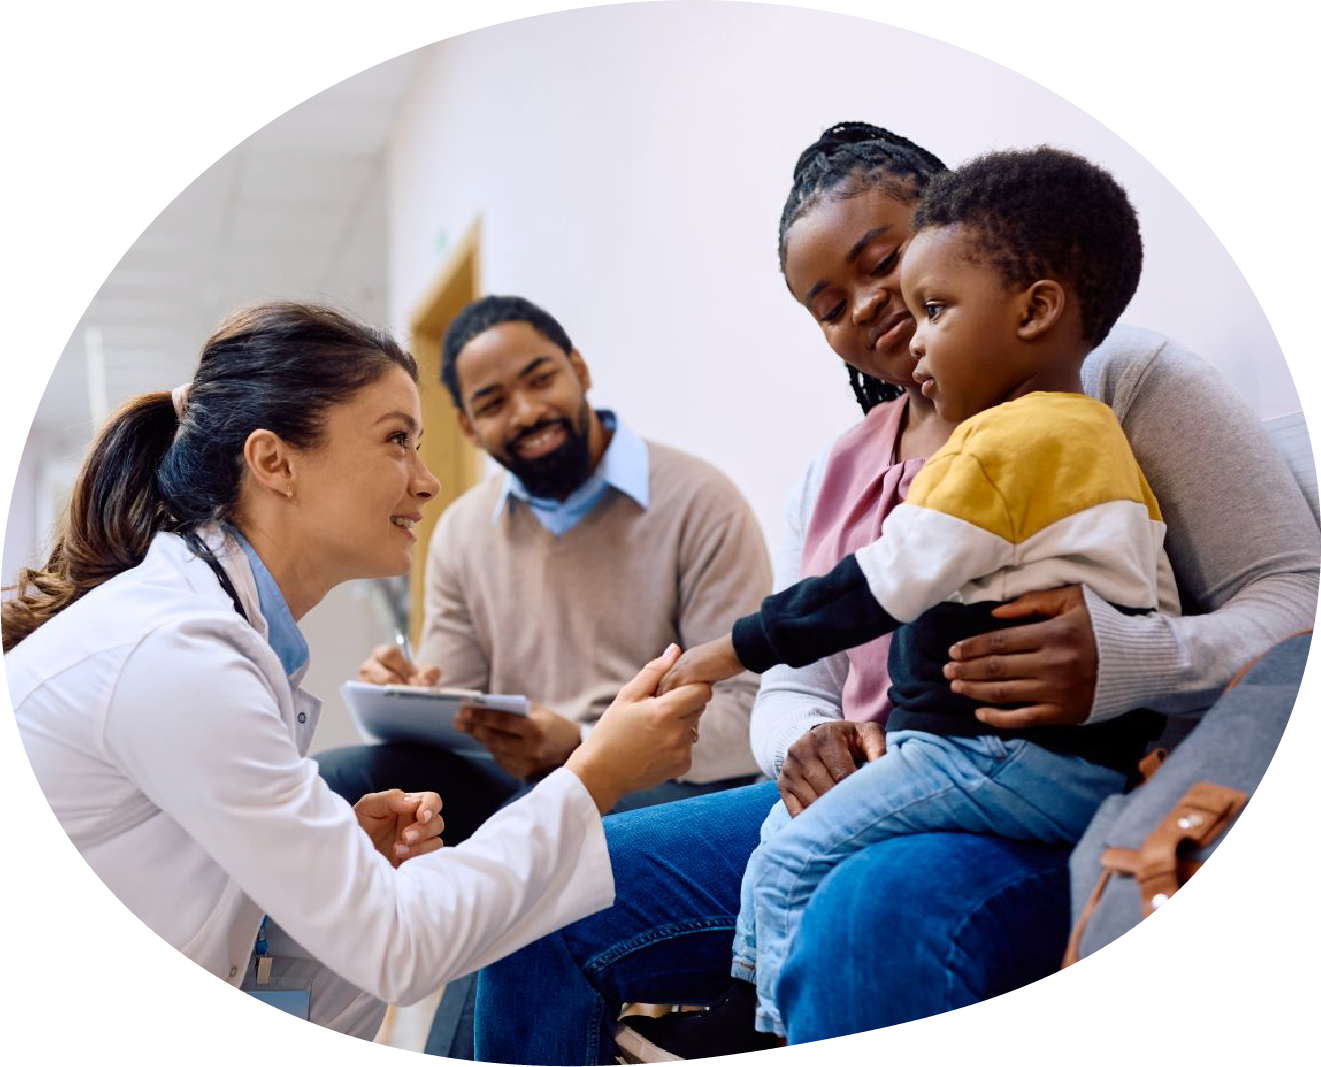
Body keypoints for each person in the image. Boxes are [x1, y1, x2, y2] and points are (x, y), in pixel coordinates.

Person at [474, 124, 1321, 1065]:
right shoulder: (836, 469)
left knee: (863, 912)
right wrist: (803, 744)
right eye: (828, 304)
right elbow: (804, 678)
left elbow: (1291, 592)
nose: (873, 307)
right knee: (538, 888)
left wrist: (1129, 659)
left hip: (1055, 786)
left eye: (887, 262)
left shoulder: (1115, 380)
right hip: (884, 776)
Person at [3, 302, 713, 1040]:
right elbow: (393, 948)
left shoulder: (213, 634)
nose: (428, 480)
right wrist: (590, 773)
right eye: (397, 441)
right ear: (274, 462)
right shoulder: (180, 655)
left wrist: (331, 887)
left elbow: (304, 989)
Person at [638, 145, 1177, 1050]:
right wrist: (804, 739)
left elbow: (870, 590)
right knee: (771, 825)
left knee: (786, 861)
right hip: (1054, 764)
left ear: (1032, 304)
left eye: (920, 295)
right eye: (828, 306)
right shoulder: (1087, 435)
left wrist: (725, 649)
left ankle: (756, 1031)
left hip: (993, 759)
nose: (903, 329)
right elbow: (1148, 581)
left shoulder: (1006, 445)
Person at [310, 294, 769, 1056]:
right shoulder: (460, 532)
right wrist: (407, 695)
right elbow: (455, 702)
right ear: (467, 426)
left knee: (530, 855)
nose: (526, 410)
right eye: (492, 401)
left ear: (578, 370)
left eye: (540, 378)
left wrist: (581, 743)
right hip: (512, 774)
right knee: (339, 779)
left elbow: (746, 715)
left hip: (660, 776)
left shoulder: (698, 500)